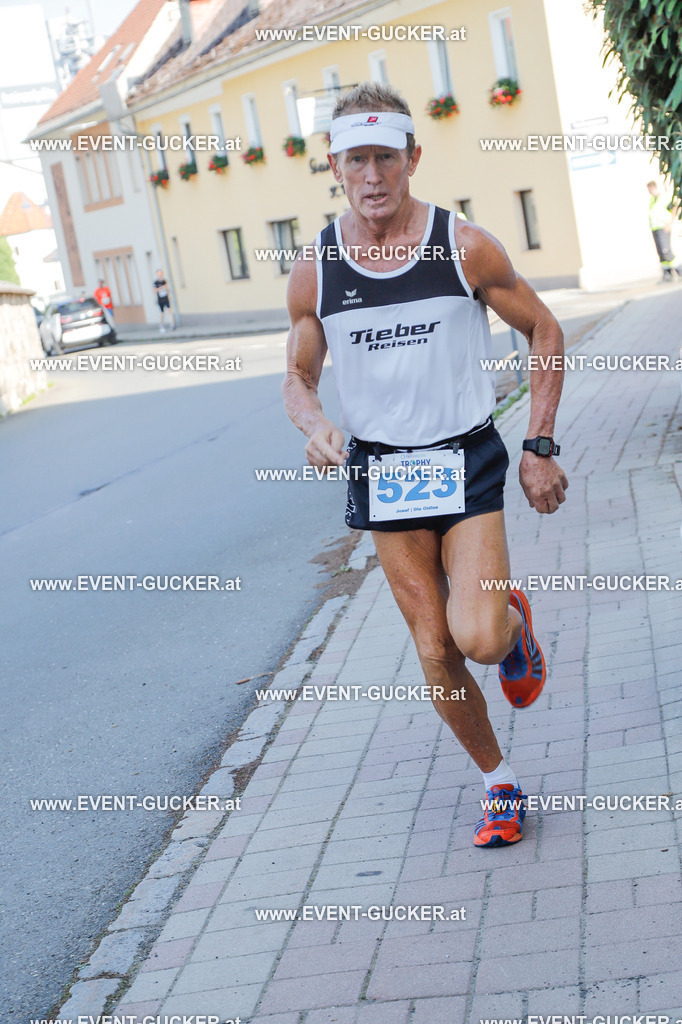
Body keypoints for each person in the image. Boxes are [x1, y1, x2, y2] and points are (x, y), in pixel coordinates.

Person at [282, 82, 568, 848]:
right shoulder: (316, 269)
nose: (372, 175)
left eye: (386, 157)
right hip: (382, 473)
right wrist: (314, 424)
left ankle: (512, 627)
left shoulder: (464, 246)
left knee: (479, 637)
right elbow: (298, 377)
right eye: (356, 160)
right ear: (334, 166)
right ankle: (499, 783)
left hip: (464, 459)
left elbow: (544, 330)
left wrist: (539, 444)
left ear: (413, 157)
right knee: (435, 647)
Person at [647, 181, 682, 282]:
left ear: (654, 188)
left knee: (666, 251)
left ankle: (680, 270)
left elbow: (674, 208)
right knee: (661, 253)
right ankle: (667, 274)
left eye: (650, 189)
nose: (649, 192)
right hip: (655, 228)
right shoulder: (652, 199)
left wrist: (669, 223)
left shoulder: (664, 198)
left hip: (663, 227)